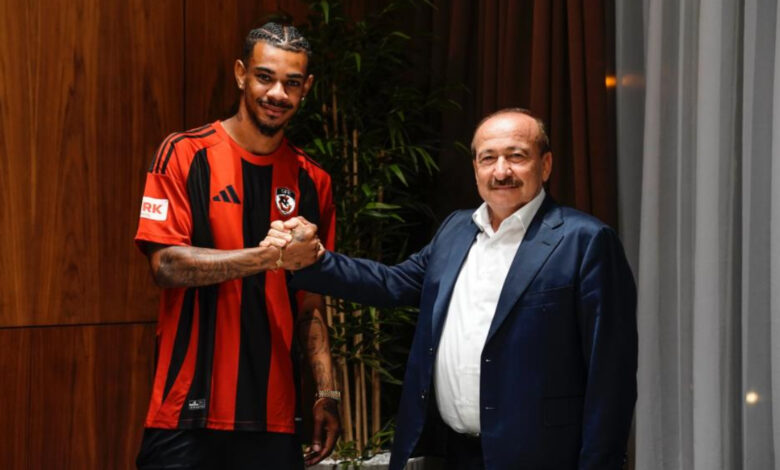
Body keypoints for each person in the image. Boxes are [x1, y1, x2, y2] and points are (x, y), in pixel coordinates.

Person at [268, 109, 637, 469]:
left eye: (517, 156)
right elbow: (392, 284)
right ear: (475, 168)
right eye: (488, 158)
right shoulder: (456, 230)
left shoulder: (585, 241)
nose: (501, 171)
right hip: (454, 453)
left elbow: (612, 377)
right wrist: (314, 259)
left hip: (541, 456)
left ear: (546, 165)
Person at [133, 22, 340, 469]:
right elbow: (166, 265)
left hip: (274, 418)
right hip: (186, 413)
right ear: (241, 74)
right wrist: (269, 257)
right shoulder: (183, 154)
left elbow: (310, 306)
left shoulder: (313, 181)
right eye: (265, 77)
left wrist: (327, 392)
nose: (277, 94)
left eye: (291, 83)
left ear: (306, 88)